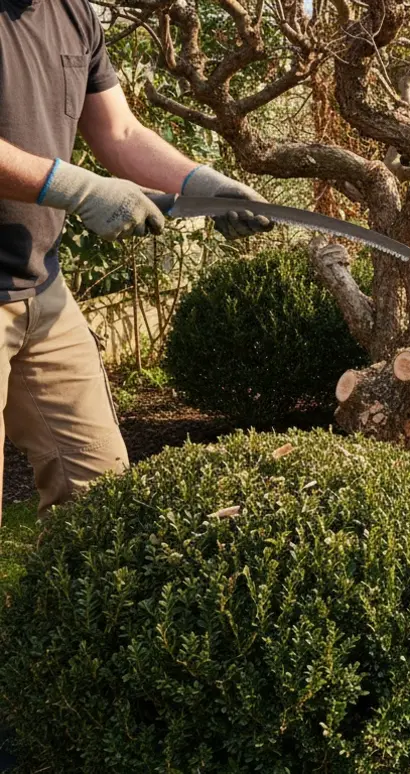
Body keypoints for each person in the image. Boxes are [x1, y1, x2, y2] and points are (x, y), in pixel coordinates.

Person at [0, 0, 271, 514]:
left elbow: (118, 132)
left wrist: (201, 183)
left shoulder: (72, 13)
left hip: (42, 288)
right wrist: (78, 188)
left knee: (99, 496)